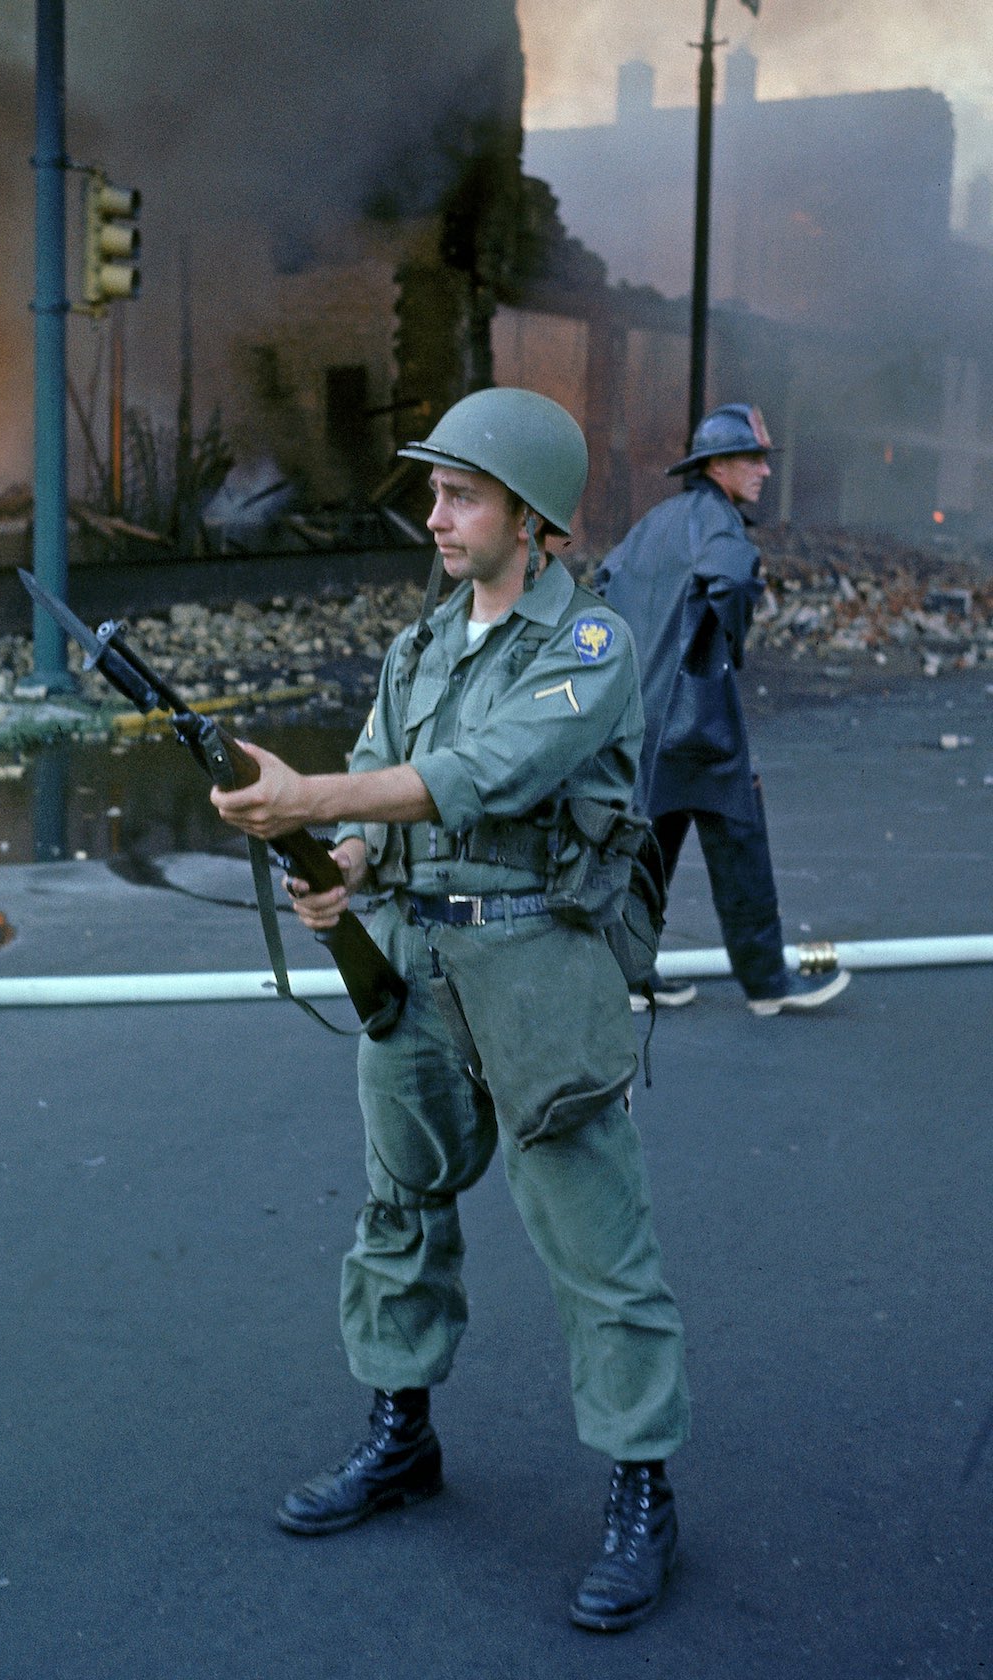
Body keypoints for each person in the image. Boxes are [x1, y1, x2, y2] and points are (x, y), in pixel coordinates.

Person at [211, 387, 690, 1634]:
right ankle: (400, 1436)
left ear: (530, 518)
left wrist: (313, 796)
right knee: (398, 1215)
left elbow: (488, 776)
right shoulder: (420, 647)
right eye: (434, 492)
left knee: (598, 1248)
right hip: (416, 974)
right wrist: (341, 865)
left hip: (541, 984)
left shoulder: (589, 648)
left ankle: (644, 1492)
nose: (435, 514)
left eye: (460, 494)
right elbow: (386, 813)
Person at [595, 403, 851, 1017]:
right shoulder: (719, 524)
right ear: (716, 465)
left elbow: (601, 589)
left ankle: (629, 977)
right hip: (699, 714)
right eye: (751, 458)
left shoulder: (656, 522)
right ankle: (767, 986)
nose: (764, 470)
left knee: (650, 842)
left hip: (644, 718)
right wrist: (727, 645)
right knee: (740, 838)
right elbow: (732, 583)